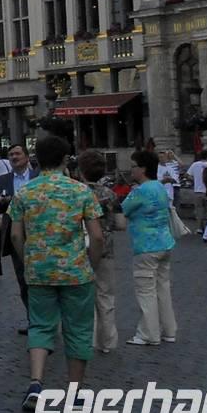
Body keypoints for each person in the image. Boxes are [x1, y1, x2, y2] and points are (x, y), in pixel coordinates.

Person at [10, 135, 104, 412]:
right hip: (76, 271)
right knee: (78, 329)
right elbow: (97, 236)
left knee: (40, 326)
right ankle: (74, 391)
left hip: (39, 270)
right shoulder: (81, 191)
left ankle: (36, 382)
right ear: (65, 160)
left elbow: (15, 235)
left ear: (37, 160)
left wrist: (27, 259)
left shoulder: (25, 192)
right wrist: (92, 264)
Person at [121, 150, 178, 346]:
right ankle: (169, 330)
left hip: (146, 245)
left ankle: (148, 333)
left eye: (133, 166)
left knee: (146, 291)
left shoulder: (140, 191)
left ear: (143, 169)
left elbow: (124, 208)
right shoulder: (159, 186)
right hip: (165, 242)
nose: (131, 170)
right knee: (163, 288)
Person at [77, 149, 120, 354]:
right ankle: (108, 341)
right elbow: (121, 223)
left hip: (79, 247)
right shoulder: (110, 194)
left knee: (83, 296)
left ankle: (88, 338)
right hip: (106, 248)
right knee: (106, 296)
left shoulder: (76, 192)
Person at [0, 144, 39, 323]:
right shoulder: (2, 180)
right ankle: (33, 319)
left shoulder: (38, 176)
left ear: (26, 157)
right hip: (16, 233)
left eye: (18, 153)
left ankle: (45, 318)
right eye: (11, 154)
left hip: (39, 232)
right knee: (23, 278)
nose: (14, 157)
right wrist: (1, 201)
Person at [187, 152, 207, 229]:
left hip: (197, 191)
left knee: (198, 210)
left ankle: (199, 228)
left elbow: (187, 175)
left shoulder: (195, 164)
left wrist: (195, 180)